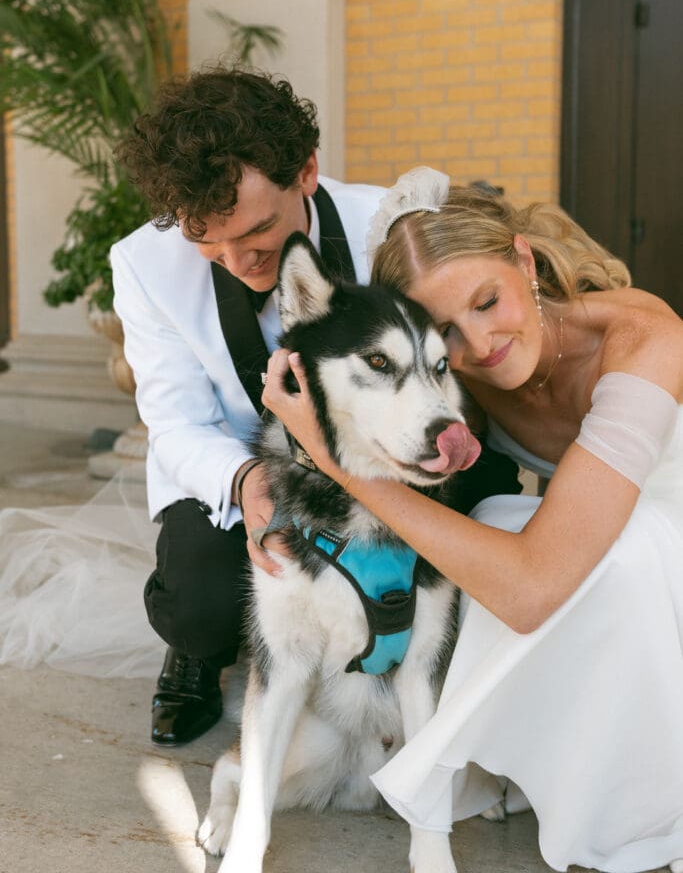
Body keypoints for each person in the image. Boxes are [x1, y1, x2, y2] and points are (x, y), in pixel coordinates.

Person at [261, 167, 683, 873]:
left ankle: (640, 805)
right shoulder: (461, 377)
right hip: (608, 535)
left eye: (488, 301)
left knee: (614, 544)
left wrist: (327, 459)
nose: (480, 343)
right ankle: (557, 755)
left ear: (523, 260)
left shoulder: (643, 338)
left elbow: (531, 588)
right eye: (445, 331)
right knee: (498, 514)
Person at [110, 79, 521, 748]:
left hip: (387, 451)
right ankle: (197, 654)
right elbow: (176, 422)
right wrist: (249, 483)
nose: (239, 264)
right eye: (209, 245)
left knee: (490, 510)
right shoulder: (140, 264)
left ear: (305, 171)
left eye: (258, 233)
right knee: (200, 605)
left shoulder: (387, 228)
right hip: (245, 463)